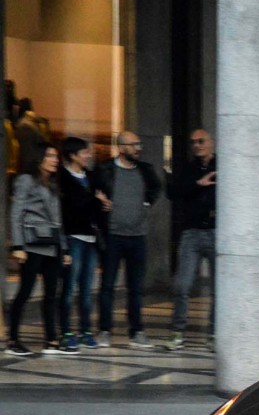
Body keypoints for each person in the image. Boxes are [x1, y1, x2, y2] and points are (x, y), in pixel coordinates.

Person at [97, 131, 162, 349]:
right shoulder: (106, 169)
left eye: (139, 144)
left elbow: (156, 187)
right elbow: (93, 189)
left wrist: (146, 204)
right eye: (134, 145)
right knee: (107, 287)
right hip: (113, 236)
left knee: (136, 288)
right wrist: (99, 200)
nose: (139, 148)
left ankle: (137, 332)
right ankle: (104, 330)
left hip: (137, 236)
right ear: (122, 148)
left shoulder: (145, 171)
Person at [8, 145, 72, 356]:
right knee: (25, 292)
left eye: (56, 156)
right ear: (39, 158)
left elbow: (58, 220)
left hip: (51, 245)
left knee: (51, 294)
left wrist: (63, 249)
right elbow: (16, 212)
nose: (55, 160)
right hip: (31, 244)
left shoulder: (52, 183)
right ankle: (13, 339)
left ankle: (51, 340)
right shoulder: (26, 180)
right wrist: (18, 246)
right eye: (50, 156)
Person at [164, 128, 217, 350]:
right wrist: (198, 184)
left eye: (201, 141)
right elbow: (172, 191)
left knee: (219, 287)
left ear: (211, 142)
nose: (197, 145)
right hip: (192, 233)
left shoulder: (224, 165)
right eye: (193, 142)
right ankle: (178, 332)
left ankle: (215, 333)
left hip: (217, 232)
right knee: (182, 285)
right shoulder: (187, 168)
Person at [57, 137, 104, 350]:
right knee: (68, 289)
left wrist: (99, 203)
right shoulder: (63, 179)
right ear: (73, 155)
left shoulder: (92, 177)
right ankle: (66, 332)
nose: (89, 155)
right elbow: (73, 208)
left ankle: (86, 331)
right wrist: (96, 201)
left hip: (91, 239)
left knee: (86, 289)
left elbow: (96, 206)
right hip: (72, 237)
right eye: (85, 152)